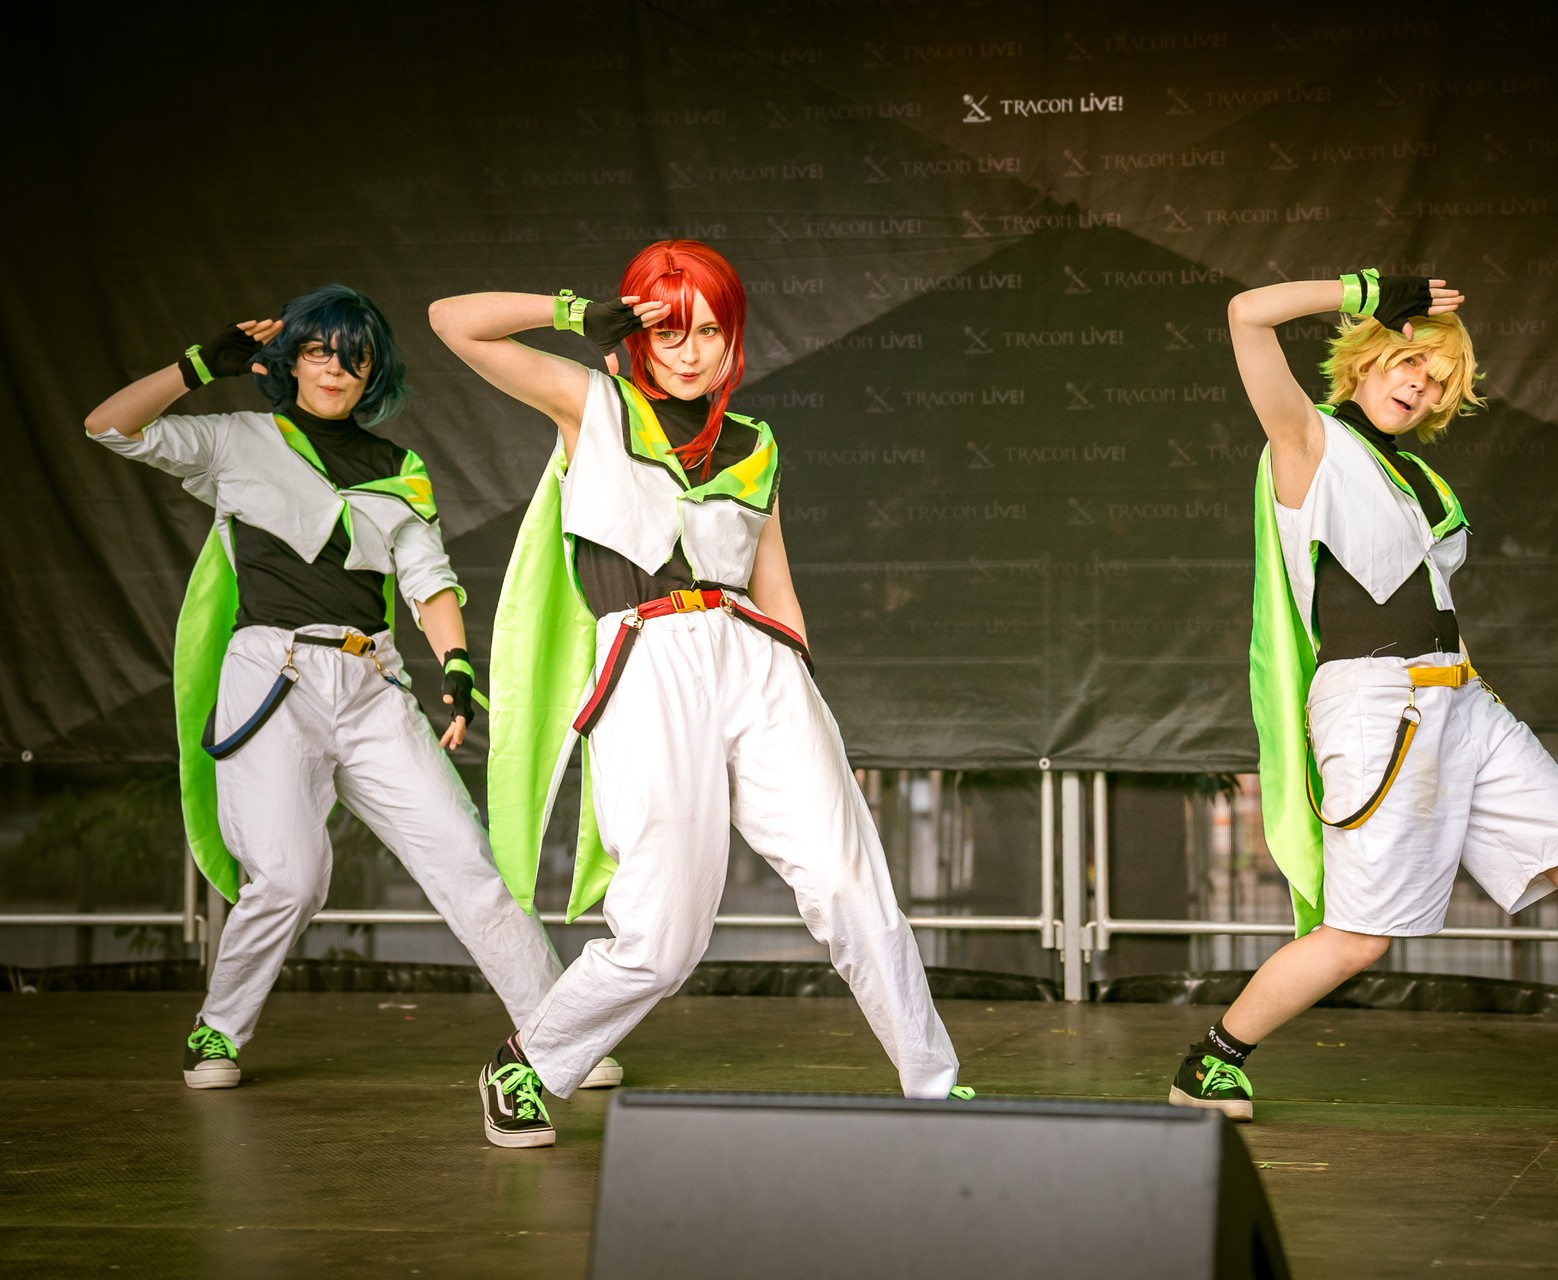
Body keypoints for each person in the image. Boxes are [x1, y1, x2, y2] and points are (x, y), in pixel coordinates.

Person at [1165, 269, 1558, 1134]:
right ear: (1369, 357)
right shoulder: (1310, 442)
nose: (1421, 387)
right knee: (1360, 938)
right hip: (1378, 707)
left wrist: (1469, 690)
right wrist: (1364, 289)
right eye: (1410, 364)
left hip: (1463, 700)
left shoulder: (1420, 479)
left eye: (1439, 382)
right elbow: (1246, 315)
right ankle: (1211, 1062)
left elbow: (1433, 601)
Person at [429, 240, 965, 1149]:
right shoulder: (594, 405)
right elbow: (453, 322)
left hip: (758, 658)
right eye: (669, 329)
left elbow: (775, 584)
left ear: (734, 337)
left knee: (851, 880)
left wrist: (808, 702)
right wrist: (574, 314)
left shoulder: (756, 443)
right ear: (638, 332)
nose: (689, 350)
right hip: (648, 656)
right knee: (664, 936)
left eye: (709, 331)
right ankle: (528, 1061)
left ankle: (934, 1086)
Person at [83, 286, 621, 1093]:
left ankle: (560, 1037)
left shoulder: (398, 467)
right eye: (318, 351)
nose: (336, 369)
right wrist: (193, 369)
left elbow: (428, 578)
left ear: (374, 372)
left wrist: (456, 666)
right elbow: (107, 426)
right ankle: (217, 1028)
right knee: (291, 878)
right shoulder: (238, 439)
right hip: (273, 680)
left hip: (373, 682)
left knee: (467, 863)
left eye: (354, 357)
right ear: (292, 360)